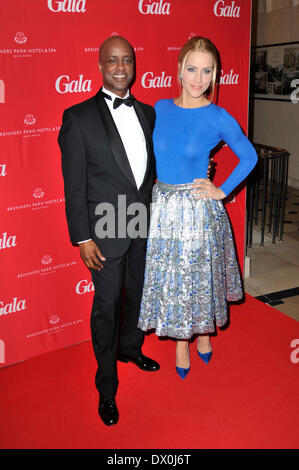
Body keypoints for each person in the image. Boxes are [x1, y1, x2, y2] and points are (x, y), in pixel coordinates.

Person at [138, 36, 258, 379]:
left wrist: (221, 190)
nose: (198, 78)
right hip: (162, 208)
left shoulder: (218, 116)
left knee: (196, 275)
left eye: (206, 71)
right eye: (192, 69)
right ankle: (180, 340)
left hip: (196, 209)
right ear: (179, 69)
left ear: (215, 75)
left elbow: (249, 156)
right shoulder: (158, 109)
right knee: (173, 276)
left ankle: (203, 331)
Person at [58, 36, 160, 426]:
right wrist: (82, 237)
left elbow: (152, 173)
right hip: (103, 229)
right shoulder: (78, 116)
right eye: (113, 61)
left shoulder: (149, 113)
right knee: (105, 308)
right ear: (100, 65)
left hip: (142, 221)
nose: (121, 67)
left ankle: (130, 348)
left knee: (138, 295)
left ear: (134, 65)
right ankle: (107, 387)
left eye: (127, 60)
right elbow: (74, 185)